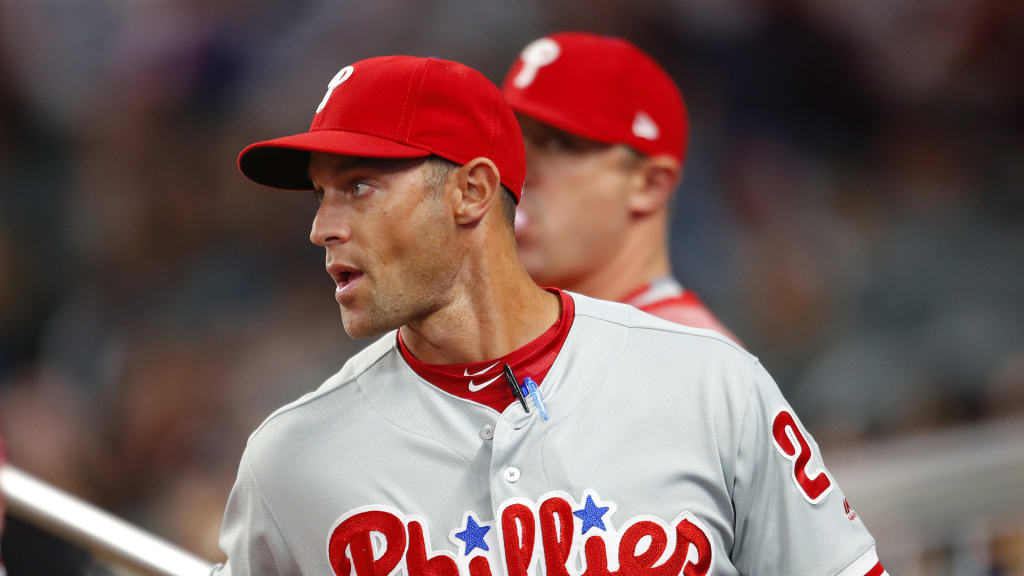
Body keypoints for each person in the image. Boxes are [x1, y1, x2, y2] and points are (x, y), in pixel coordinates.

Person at [213, 54, 886, 575]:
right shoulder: (291, 461)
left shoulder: (708, 385)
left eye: (358, 186)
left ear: (472, 191)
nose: (322, 227)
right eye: (321, 194)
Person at [502, 33, 736, 340]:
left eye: (558, 144)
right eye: (510, 135)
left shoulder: (694, 359)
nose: (516, 166)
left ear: (650, 185)